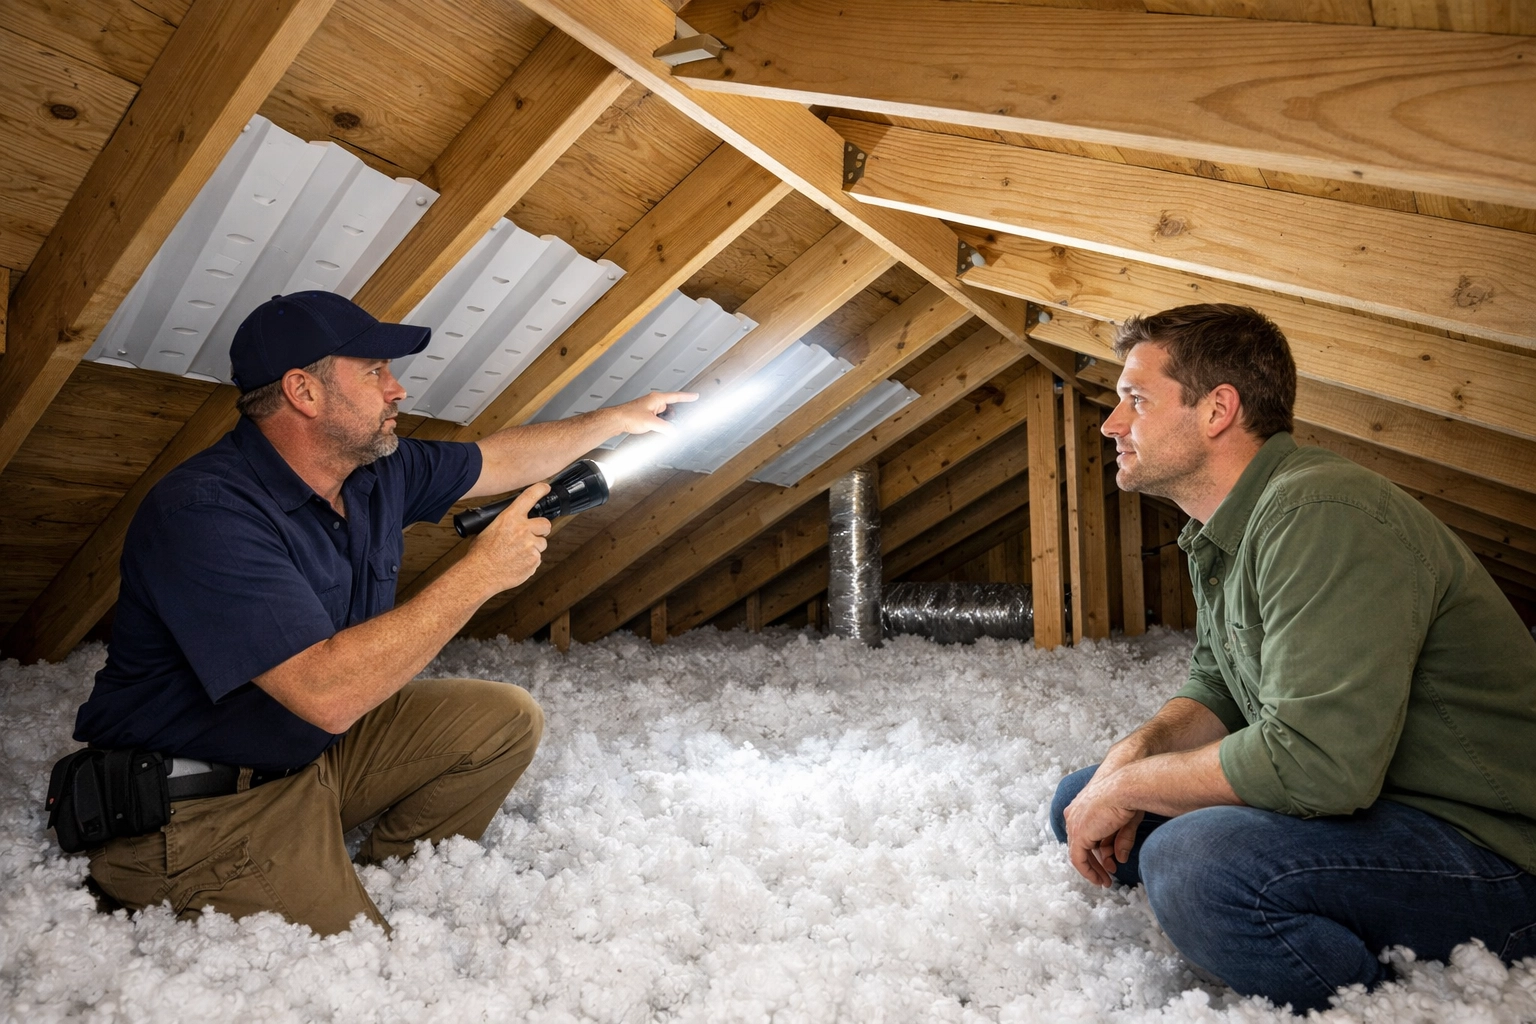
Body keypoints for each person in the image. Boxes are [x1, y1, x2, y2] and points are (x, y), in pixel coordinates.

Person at [71, 291, 694, 935]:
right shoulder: (205, 513)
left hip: (309, 759)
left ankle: (386, 873)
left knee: (504, 719)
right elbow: (326, 693)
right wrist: (481, 574)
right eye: (374, 372)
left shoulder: (372, 470)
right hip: (201, 808)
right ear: (303, 391)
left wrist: (614, 419)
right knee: (365, 965)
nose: (397, 390)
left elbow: (499, 459)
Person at [1050, 303, 1536, 1013]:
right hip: (1381, 800)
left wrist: (1131, 789)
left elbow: (1319, 765)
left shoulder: (1321, 513)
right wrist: (1132, 759)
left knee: (1194, 862)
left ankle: (1377, 997)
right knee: (1077, 799)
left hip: (1492, 847)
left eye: (1136, 399)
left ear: (1217, 410)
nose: (1112, 424)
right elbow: (1218, 685)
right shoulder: (1233, 524)